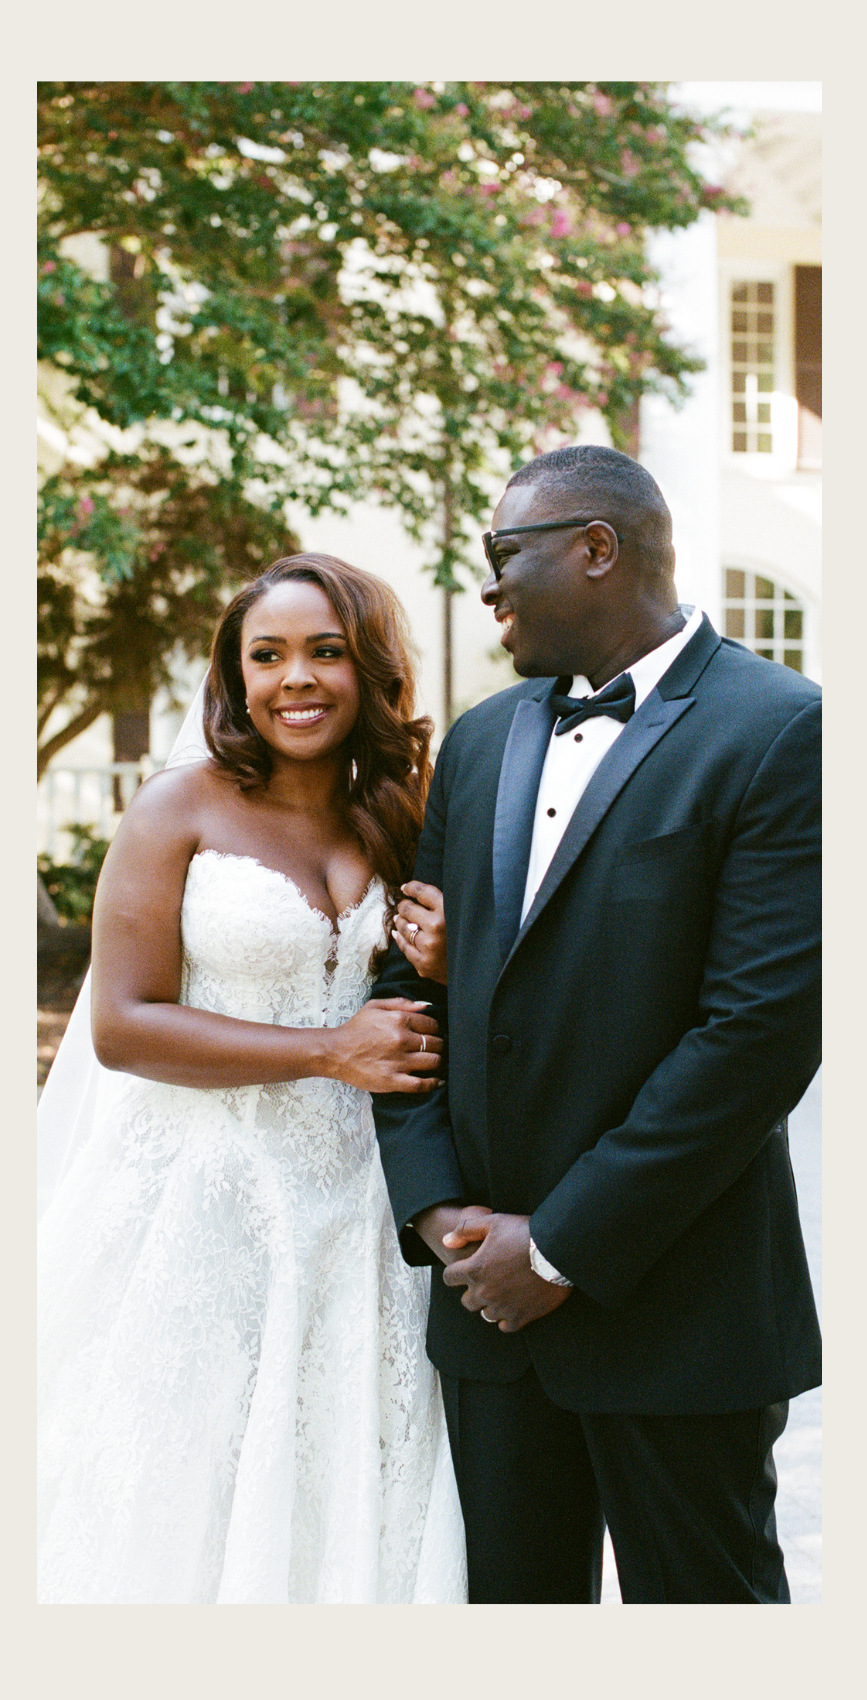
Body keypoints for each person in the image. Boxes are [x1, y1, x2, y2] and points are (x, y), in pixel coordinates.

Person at [371, 444, 820, 1603]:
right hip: (483, 1308)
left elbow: (757, 1033)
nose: (487, 589)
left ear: (595, 547)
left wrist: (560, 1245)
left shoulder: (781, 729)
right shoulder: (476, 741)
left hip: (676, 1304)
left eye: (500, 555)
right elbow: (409, 991)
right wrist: (435, 1212)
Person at [36, 556, 468, 1603]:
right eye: (265, 655)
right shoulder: (174, 808)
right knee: (195, 1490)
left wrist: (456, 965)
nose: (295, 679)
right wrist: (326, 1049)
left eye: (324, 651)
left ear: (367, 668)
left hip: (365, 1211)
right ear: (233, 677)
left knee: (347, 1477)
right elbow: (122, 1026)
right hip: (207, 1203)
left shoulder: (399, 814)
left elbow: (430, 1012)